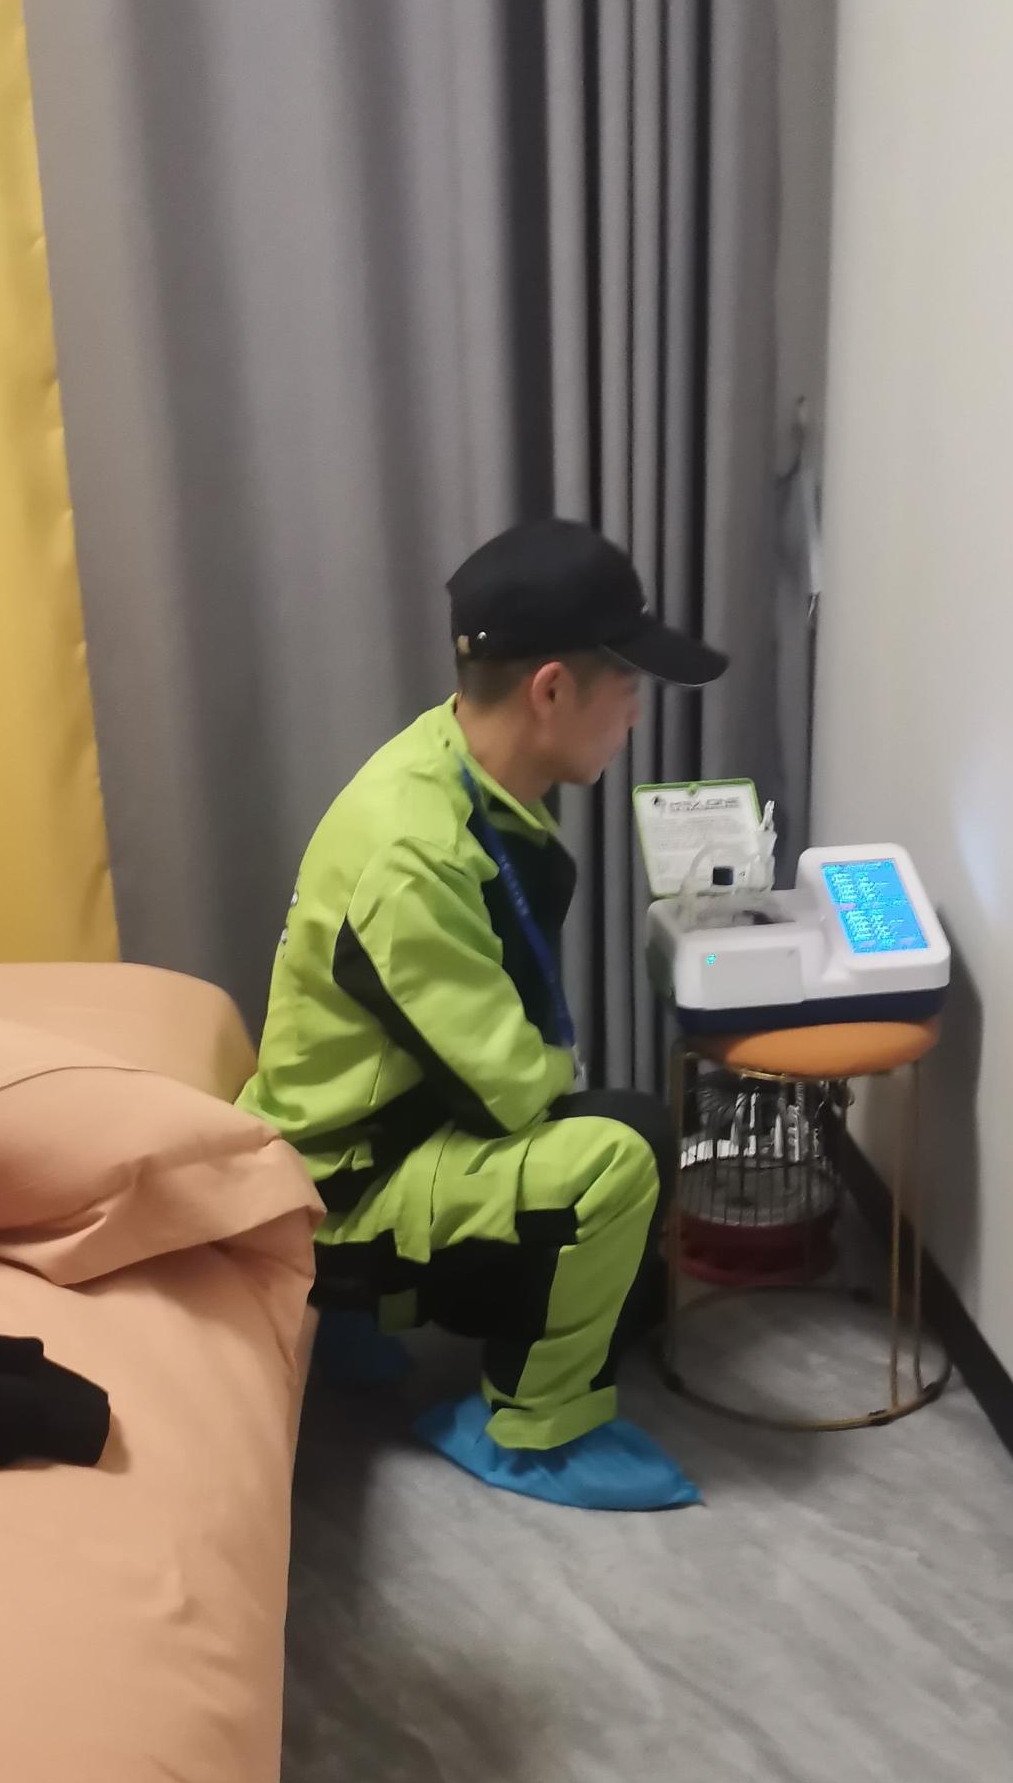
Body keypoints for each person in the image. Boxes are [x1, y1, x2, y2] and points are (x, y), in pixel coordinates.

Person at [240, 518, 727, 1509]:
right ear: (550, 689)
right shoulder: (413, 850)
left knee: (631, 1257)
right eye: (626, 683)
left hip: (369, 1124)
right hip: (339, 1183)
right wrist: (561, 1073)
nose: (637, 711)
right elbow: (506, 1092)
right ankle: (529, 1428)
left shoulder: (452, 756)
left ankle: (360, 1327)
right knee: (626, 1155)